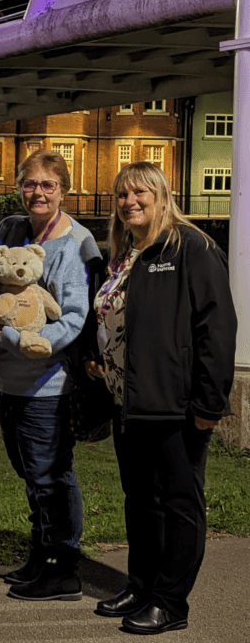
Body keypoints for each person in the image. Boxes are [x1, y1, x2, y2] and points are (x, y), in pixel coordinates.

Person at [86, 162, 236, 635]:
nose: (130, 202)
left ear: (161, 195)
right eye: (122, 195)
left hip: (176, 404)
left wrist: (210, 405)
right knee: (140, 500)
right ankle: (142, 584)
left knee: (178, 503)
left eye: (139, 193)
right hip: (128, 402)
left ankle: (171, 602)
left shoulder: (191, 247)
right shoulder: (129, 252)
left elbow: (217, 328)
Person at [0, 151, 100, 601]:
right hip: (5, 381)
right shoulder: (8, 231)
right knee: (30, 474)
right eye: (31, 183)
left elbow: (73, 319)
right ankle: (41, 554)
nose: (39, 193)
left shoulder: (75, 244)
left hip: (46, 384)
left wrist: (13, 335)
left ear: (63, 191)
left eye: (49, 185)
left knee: (52, 475)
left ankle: (64, 566)